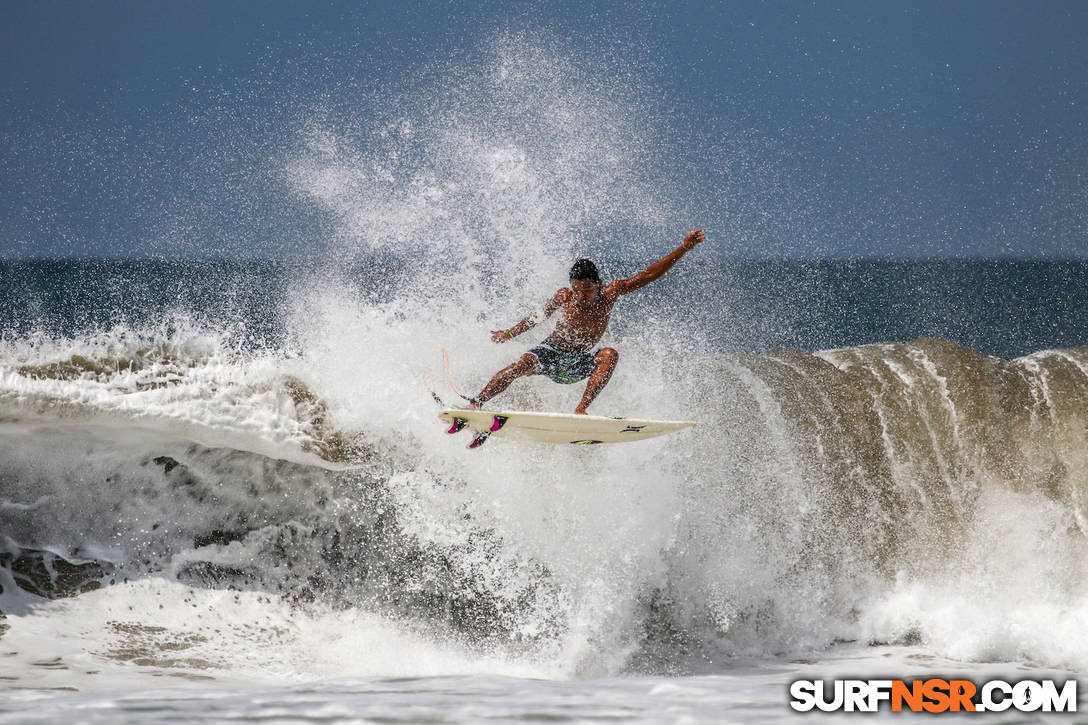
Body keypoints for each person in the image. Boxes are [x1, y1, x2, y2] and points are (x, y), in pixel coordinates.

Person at [471, 229, 706, 414]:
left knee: (610, 355)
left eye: (587, 290)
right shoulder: (565, 296)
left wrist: (683, 248)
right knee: (520, 365)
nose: (581, 295)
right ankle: (477, 402)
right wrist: (509, 334)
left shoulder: (612, 293)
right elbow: (537, 318)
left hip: (577, 364)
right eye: (577, 289)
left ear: (599, 284)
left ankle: (581, 409)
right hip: (550, 353)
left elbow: (649, 274)